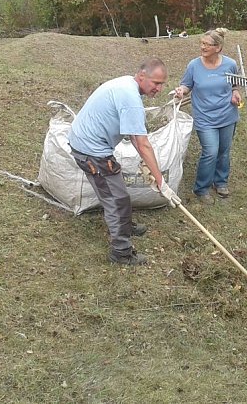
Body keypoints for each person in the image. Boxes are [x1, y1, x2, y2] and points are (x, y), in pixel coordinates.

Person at [68, 57, 180, 266]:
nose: (160, 88)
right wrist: (161, 181)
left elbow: (135, 138)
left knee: (117, 194)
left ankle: (124, 226)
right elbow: (142, 143)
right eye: (156, 83)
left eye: (163, 83)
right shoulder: (130, 98)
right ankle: (121, 252)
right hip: (91, 151)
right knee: (117, 200)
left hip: (86, 144)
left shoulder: (126, 84)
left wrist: (155, 175)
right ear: (141, 76)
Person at [173, 28, 241, 205]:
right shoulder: (194, 65)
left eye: (206, 44)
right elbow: (186, 85)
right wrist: (181, 90)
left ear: (218, 48)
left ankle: (221, 182)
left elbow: (235, 85)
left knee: (224, 152)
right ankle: (201, 188)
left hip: (227, 115)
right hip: (205, 117)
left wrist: (235, 93)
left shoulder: (230, 64)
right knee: (210, 151)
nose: (202, 47)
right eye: (201, 43)